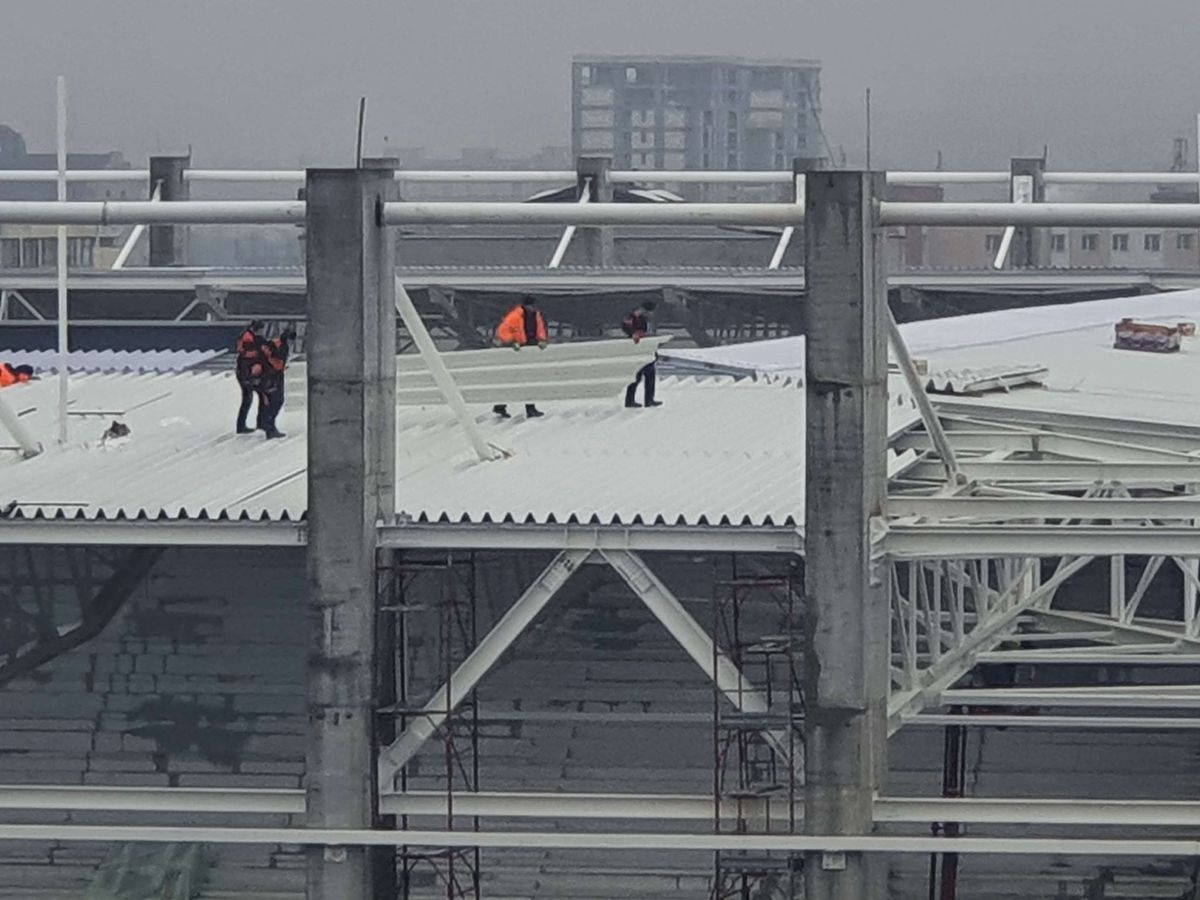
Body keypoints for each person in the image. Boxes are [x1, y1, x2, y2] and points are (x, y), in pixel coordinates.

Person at [492, 296, 548, 419]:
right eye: (532, 306)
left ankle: (501, 406)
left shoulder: (535, 315)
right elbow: (502, 331)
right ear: (527, 306)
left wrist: (542, 340)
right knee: (520, 379)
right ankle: (527, 409)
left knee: (522, 379)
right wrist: (512, 342)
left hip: (528, 349)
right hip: (519, 351)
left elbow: (539, 330)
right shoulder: (515, 316)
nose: (534, 308)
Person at [622, 301, 662, 408]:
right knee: (636, 376)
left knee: (650, 376)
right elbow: (625, 326)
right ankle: (630, 401)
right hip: (637, 350)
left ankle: (649, 399)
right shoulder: (632, 316)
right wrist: (633, 334)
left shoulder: (645, 319)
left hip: (647, 349)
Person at [257, 328, 295, 440]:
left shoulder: (273, 343)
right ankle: (270, 427)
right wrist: (278, 367)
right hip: (273, 376)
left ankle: (268, 425)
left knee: (271, 401)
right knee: (276, 400)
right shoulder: (281, 346)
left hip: (269, 375)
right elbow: (277, 358)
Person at [235, 321, 267, 434]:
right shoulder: (250, 340)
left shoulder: (247, 337)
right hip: (247, 373)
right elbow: (251, 356)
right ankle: (258, 424)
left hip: (245, 373)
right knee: (251, 398)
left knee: (249, 398)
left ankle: (243, 425)